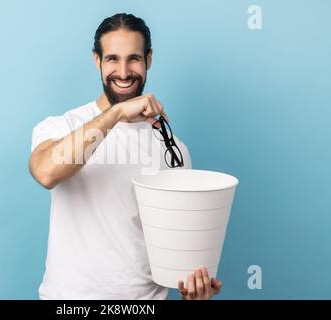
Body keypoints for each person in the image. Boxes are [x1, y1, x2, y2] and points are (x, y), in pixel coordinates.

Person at [28, 13, 222, 300]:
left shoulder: (174, 149)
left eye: (133, 58)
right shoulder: (62, 126)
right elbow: (46, 172)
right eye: (112, 59)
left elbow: (178, 242)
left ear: (148, 60)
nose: (123, 71)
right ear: (97, 60)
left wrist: (192, 290)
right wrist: (117, 113)